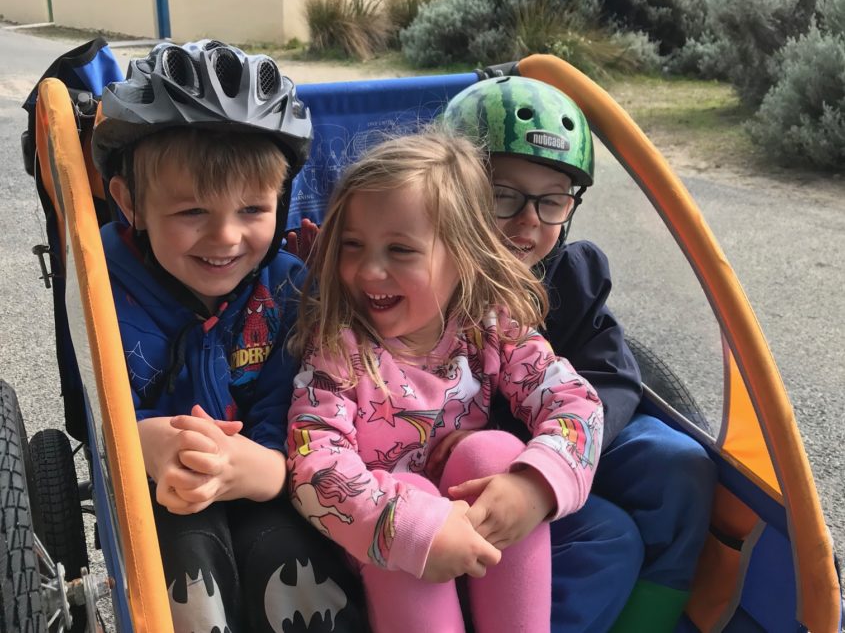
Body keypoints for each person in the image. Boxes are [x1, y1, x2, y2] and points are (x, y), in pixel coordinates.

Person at [92, 40, 367, 633]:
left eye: (252, 209)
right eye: (192, 212)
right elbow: (93, 409)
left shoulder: (291, 289)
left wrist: (263, 464)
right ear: (130, 203)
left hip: (266, 476)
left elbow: (299, 402)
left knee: (293, 565)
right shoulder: (99, 281)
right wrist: (144, 443)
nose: (225, 237)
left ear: (282, 201)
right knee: (188, 566)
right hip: (158, 486)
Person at [286, 130, 604, 633]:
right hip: (381, 541)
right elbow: (314, 464)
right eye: (352, 245)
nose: (369, 269)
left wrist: (535, 487)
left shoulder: (490, 327)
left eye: (400, 250)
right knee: (409, 490)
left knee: (496, 453)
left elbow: (576, 404)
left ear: (462, 256)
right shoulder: (339, 348)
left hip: (479, 532)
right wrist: (413, 530)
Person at [439, 76, 718, 632]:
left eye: (553, 201)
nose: (529, 221)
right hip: (461, 461)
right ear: (448, 189)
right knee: (609, 538)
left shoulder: (573, 273)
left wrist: (551, 455)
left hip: (562, 434)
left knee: (680, 465)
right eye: (502, 195)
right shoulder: (424, 274)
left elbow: (612, 378)